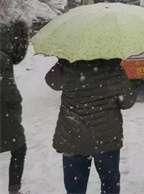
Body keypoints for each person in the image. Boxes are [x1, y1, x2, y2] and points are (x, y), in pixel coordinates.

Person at [46, 57, 137, 194]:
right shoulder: (113, 66)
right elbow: (127, 102)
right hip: (106, 138)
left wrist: (61, 62)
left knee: (75, 188)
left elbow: (52, 81)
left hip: (73, 137)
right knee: (110, 183)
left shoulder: (67, 64)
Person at [0, 21, 29, 194]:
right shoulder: (2, 57)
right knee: (19, 147)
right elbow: (6, 91)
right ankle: (14, 190)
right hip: (4, 111)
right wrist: (16, 102)